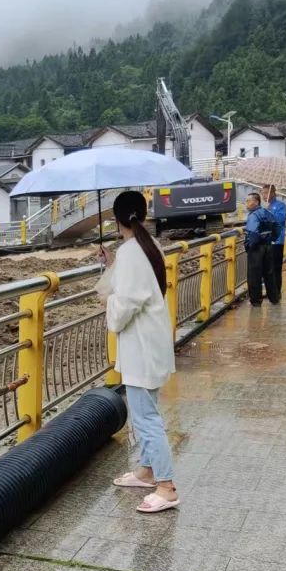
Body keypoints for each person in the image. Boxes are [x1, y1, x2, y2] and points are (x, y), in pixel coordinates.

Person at [102, 191, 179, 514]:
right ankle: (147, 471)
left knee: (146, 417)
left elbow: (126, 304)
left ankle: (166, 485)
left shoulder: (132, 252)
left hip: (142, 347)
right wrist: (111, 266)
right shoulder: (148, 246)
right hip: (154, 341)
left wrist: (108, 304)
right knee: (146, 409)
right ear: (143, 215)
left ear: (118, 219)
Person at [243, 192, 281, 306]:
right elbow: (277, 226)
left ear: (255, 202)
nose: (246, 204)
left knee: (254, 275)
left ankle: (256, 301)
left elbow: (253, 232)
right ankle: (274, 298)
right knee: (269, 273)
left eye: (248, 201)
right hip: (268, 246)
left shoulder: (253, 215)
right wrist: (272, 238)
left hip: (256, 248)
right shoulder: (267, 212)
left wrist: (249, 245)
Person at [263, 184, 286, 288]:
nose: (264, 195)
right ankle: (270, 292)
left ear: (273, 193)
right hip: (266, 242)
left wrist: (268, 213)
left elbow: (280, 220)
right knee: (267, 268)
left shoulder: (280, 205)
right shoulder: (266, 206)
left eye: (265, 192)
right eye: (262, 193)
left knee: (276, 268)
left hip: (276, 242)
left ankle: (277, 292)